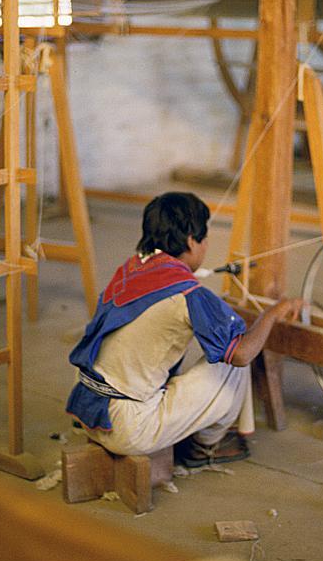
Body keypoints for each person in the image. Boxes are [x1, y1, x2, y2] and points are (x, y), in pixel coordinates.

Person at [66, 192, 303, 467]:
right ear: (192, 240)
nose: (204, 245)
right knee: (232, 364)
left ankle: (165, 424)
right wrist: (273, 312)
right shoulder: (188, 293)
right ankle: (206, 447)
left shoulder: (131, 268)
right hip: (127, 428)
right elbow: (241, 354)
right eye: (204, 238)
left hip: (86, 407)